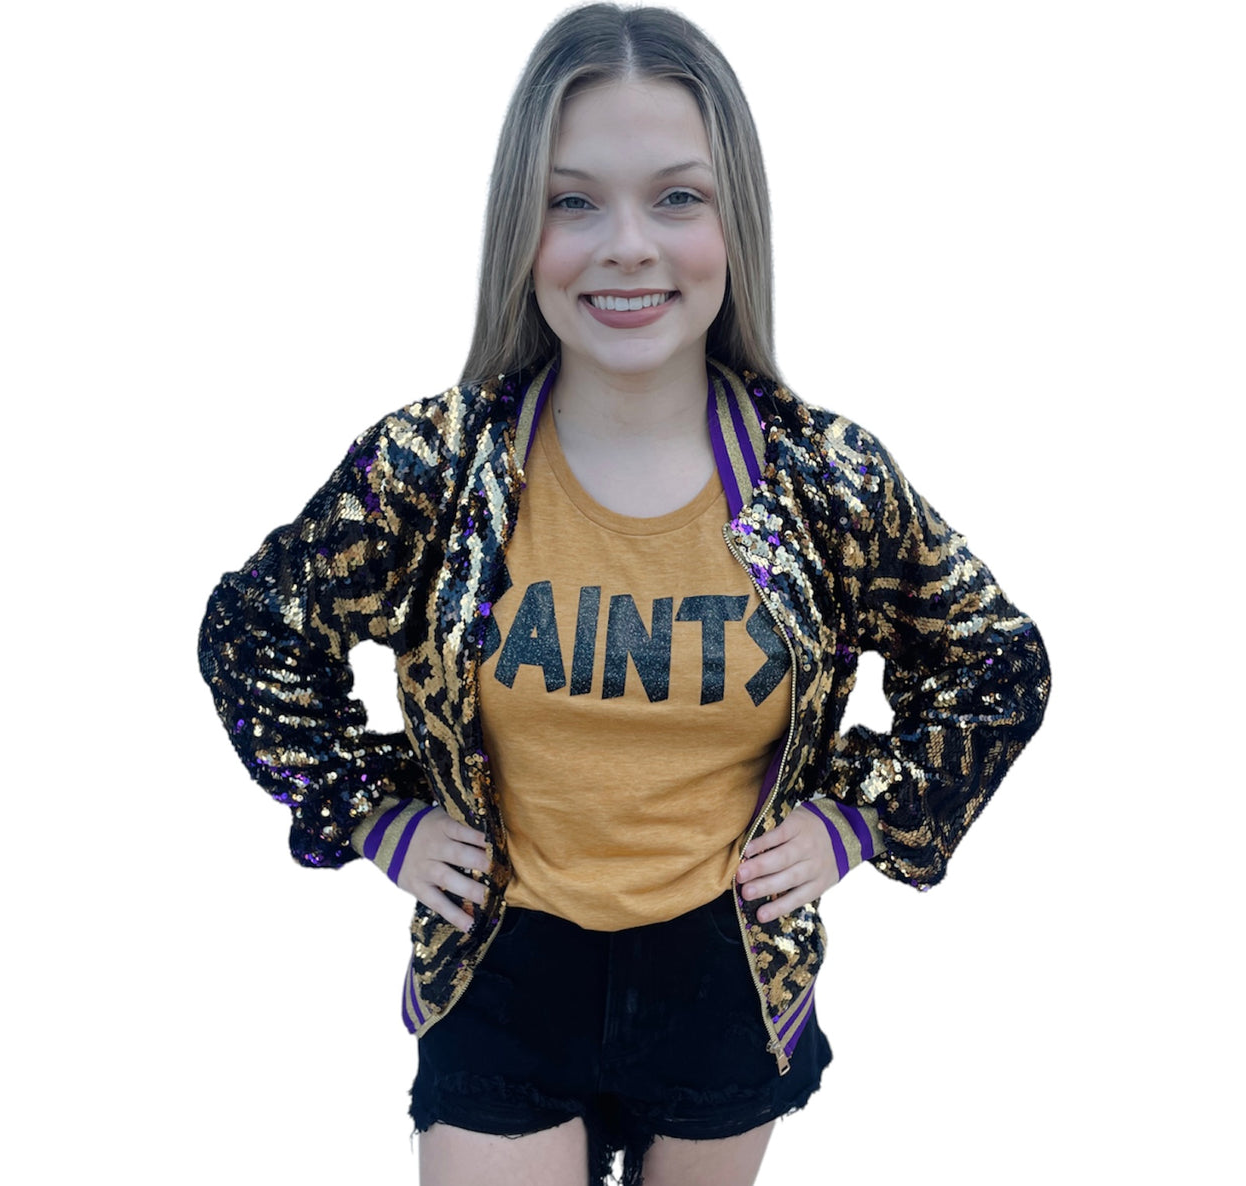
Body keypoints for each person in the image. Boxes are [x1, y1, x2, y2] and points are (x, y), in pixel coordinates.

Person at [197, 5, 1051, 1184]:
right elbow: (256, 630)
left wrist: (856, 821)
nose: (627, 245)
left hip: (723, 976)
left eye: (676, 197)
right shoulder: (430, 467)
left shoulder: (825, 481)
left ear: (734, 222)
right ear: (521, 224)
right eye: (573, 201)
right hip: (500, 965)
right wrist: (375, 816)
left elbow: (992, 661)